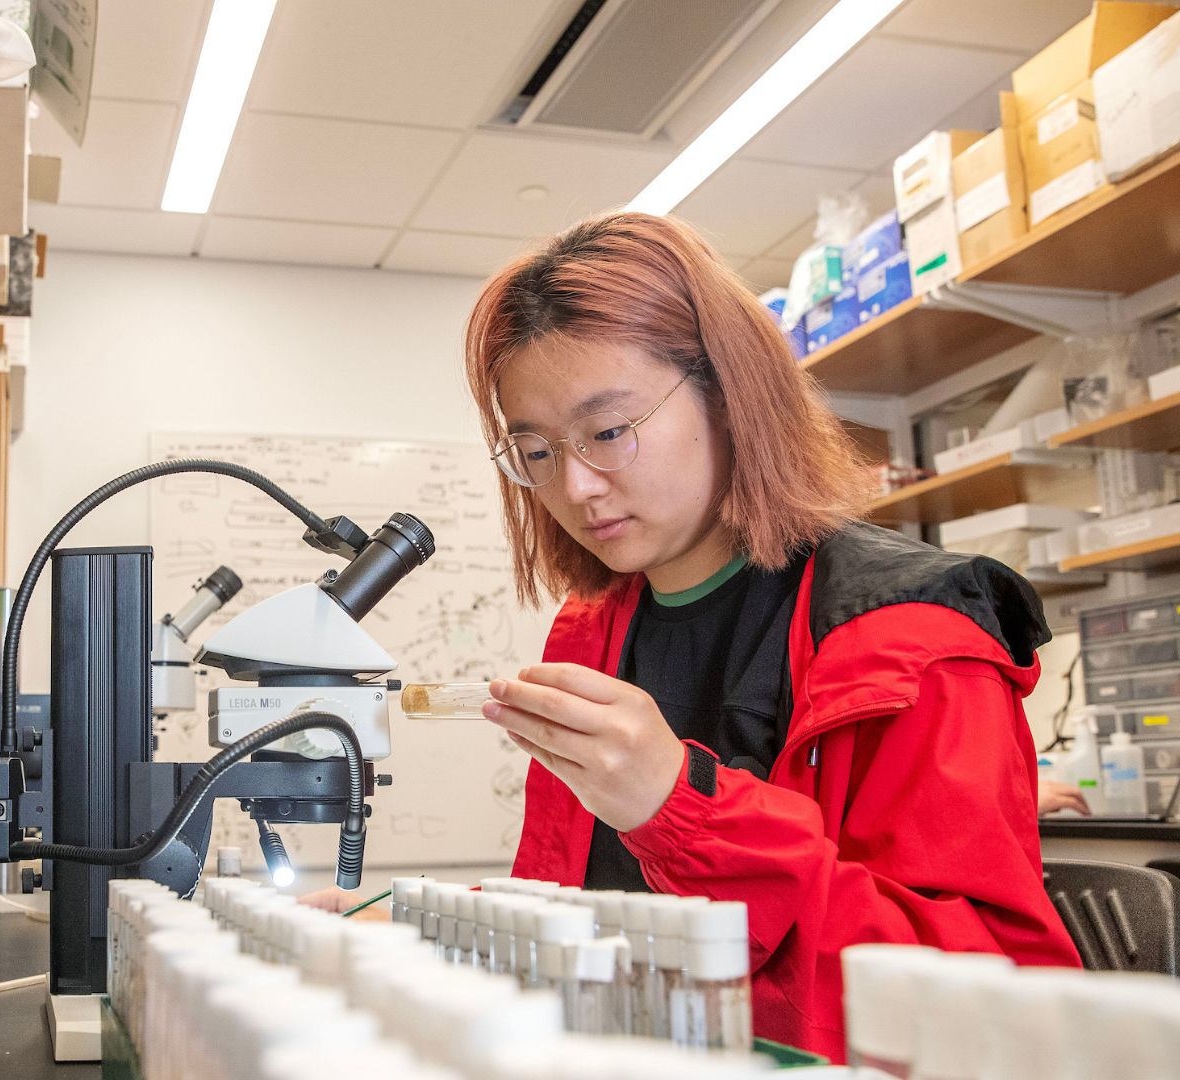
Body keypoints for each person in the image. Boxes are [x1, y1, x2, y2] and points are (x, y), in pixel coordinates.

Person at [311, 213, 1080, 1060]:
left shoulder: (911, 635)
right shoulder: (592, 633)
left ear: (728, 390)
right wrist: (418, 924)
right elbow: (586, 902)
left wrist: (679, 808)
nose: (574, 484)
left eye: (608, 432)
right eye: (533, 451)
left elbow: (992, 1002)